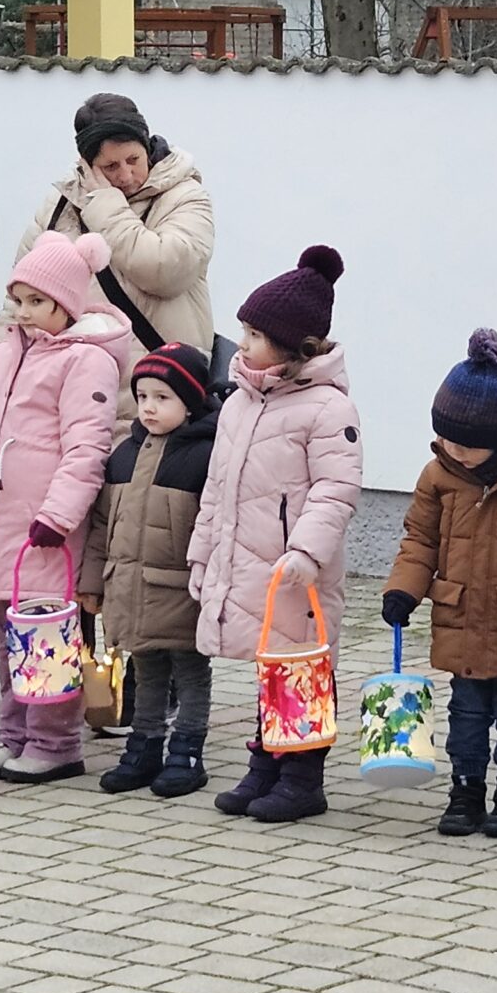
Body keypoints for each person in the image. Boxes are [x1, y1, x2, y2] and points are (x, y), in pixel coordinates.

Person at [0, 232, 131, 784]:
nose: (23, 312)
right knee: (8, 636)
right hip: (2, 526)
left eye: (37, 301)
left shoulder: (86, 361)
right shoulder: (7, 353)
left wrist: (58, 516)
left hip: (45, 529)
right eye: (18, 300)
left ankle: (55, 742)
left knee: (45, 637)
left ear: (66, 304)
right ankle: (14, 732)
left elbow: (87, 447)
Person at [189, 246, 360, 825]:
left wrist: (307, 551)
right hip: (248, 564)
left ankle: (302, 777)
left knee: (302, 669)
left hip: (295, 571)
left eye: (256, 335)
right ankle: (265, 763)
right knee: (270, 668)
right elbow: (217, 489)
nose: (243, 344)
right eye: (244, 331)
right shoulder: (240, 403)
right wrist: (202, 556)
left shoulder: (327, 408)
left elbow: (336, 489)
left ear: (295, 347)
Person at [384, 328, 497, 841]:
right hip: (461, 619)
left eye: (467, 446)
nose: (454, 452)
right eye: (447, 440)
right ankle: (465, 790)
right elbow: (420, 539)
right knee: (465, 715)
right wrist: (403, 590)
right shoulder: (439, 475)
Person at [83, 342, 223, 799]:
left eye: (162, 398)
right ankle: (144, 745)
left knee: (189, 671)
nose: (148, 407)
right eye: (142, 396)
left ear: (191, 401)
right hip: (132, 587)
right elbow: (102, 524)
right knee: (145, 670)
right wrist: (92, 582)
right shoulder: (125, 454)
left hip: (182, 589)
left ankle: (187, 750)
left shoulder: (206, 456)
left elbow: (218, 527)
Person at [29, 92, 217, 420]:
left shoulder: (185, 196)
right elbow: (23, 294)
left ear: (147, 147)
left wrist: (106, 205)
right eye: (110, 167)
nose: (126, 176)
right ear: (87, 164)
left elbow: (166, 270)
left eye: (133, 160)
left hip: (158, 395)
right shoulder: (61, 206)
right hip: (73, 394)